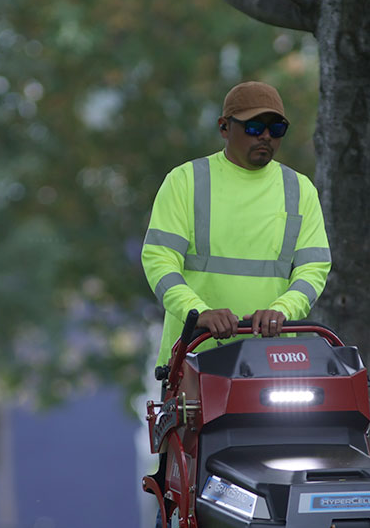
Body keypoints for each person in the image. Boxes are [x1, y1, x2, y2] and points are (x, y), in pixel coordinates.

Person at [140, 80, 331, 364]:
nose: (266, 136)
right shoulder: (185, 181)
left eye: (276, 129)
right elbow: (159, 261)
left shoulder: (299, 189)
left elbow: (313, 268)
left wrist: (283, 310)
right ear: (224, 127)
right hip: (193, 359)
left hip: (274, 361)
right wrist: (199, 313)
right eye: (254, 127)